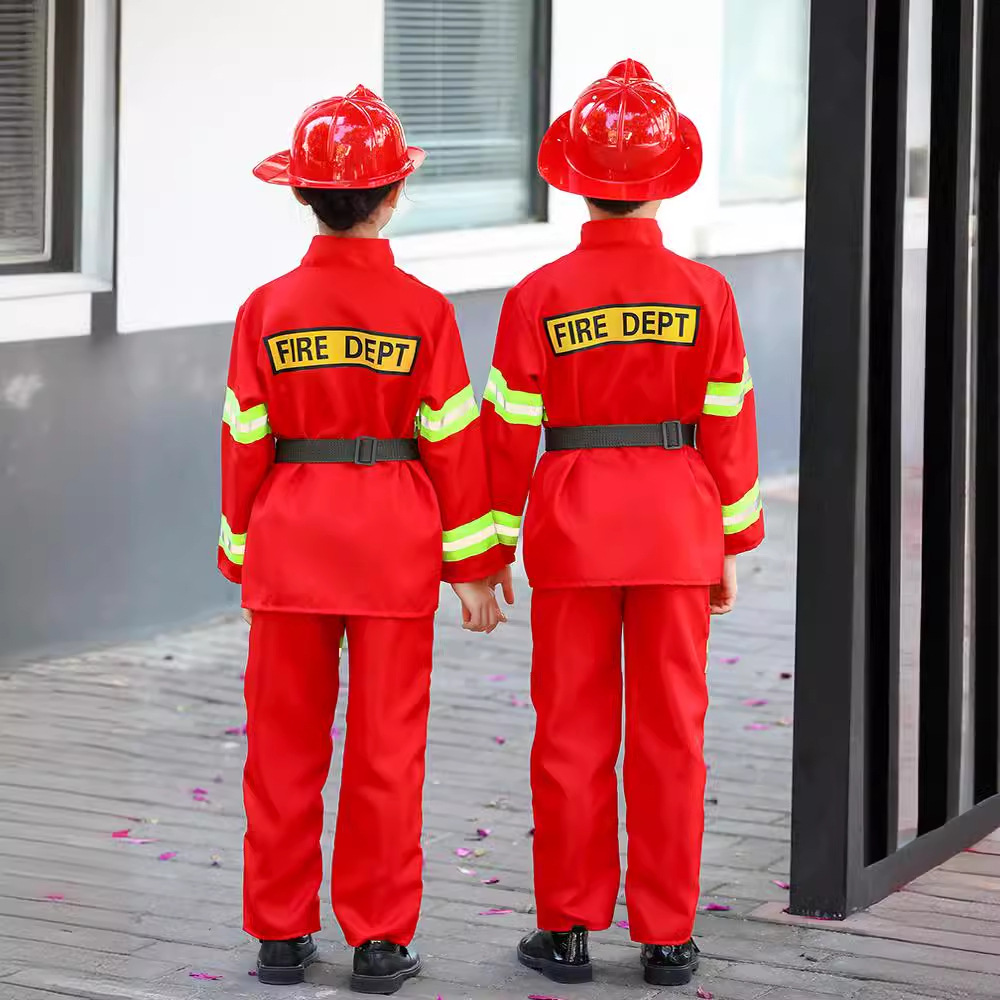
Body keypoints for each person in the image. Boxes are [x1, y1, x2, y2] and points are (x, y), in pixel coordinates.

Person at [481, 60, 764, 988]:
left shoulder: (537, 297)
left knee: (569, 728)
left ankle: (566, 930)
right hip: (678, 524)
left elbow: (507, 433)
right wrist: (728, 542)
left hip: (569, 525)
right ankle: (669, 937)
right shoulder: (706, 294)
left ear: (574, 182)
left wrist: (485, 549)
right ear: (665, 180)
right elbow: (727, 424)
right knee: (672, 732)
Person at [219, 86, 507, 993]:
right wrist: (474, 568)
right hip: (393, 545)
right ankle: (378, 942)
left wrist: (240, 550)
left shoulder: (264, 308)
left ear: (301, 195)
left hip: (290, 542)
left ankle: (278, 933)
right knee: (387, 752)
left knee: (282, 749)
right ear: (391, 200)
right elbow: (455, 445)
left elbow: (244, 440)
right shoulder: (424, 311)